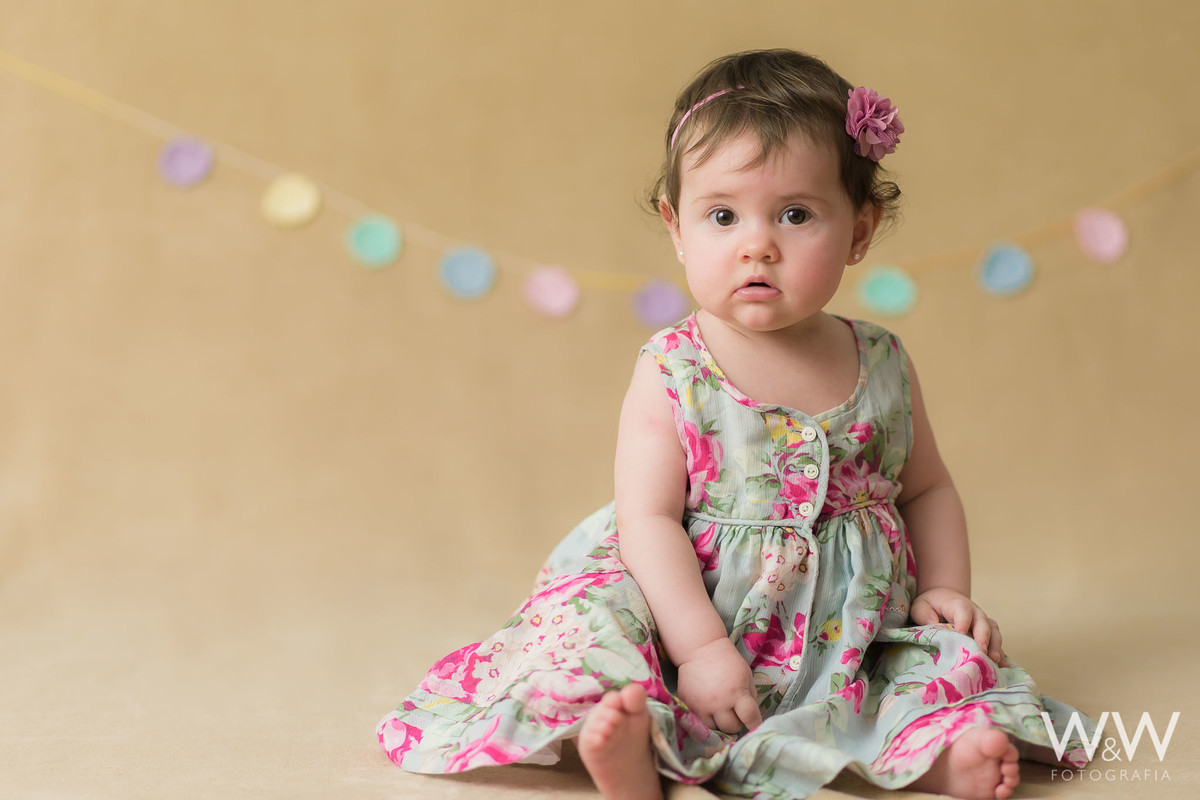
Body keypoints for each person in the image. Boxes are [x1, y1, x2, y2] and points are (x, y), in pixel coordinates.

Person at [377, 48, 1098, 800]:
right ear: (677, 228)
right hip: (683, 606)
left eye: (795, 214)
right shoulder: (674, 369)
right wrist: (699, 649)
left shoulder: (881, 359)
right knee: (596, 634)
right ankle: (635, 738)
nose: (758, 243)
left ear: (859, 229)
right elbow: (647, 519)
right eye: (722, 215)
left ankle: (942, 758)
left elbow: (928, 490)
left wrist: (946, 589)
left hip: (841, 631)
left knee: (939, 664)